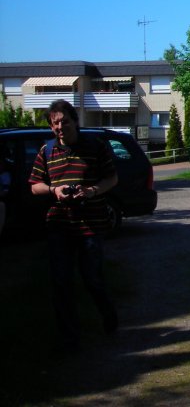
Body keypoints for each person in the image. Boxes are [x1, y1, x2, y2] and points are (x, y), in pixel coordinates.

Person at [28, 100, 119, 350]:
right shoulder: (46, 152)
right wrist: (54, 190)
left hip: (91, 224)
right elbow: (34, 185)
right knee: (61, 282)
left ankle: (108, 314)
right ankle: (69, 337)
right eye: (55, 123)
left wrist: (90, 191)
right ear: (50, 126)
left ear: (74, 121)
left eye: (64, 121)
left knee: (92, 279)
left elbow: (112, 178)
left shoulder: (95, 146)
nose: (60, 127)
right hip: (60, 225)